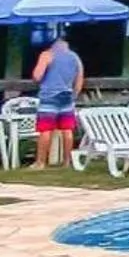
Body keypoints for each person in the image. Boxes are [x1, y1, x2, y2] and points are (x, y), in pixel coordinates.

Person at [31, 30, 84, 168]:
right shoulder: (75, 57)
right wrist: (74, 95)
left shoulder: (47, 55)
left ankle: (40, 162)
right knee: (67, 130)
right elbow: (79, 79)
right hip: (67, 96)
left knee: (45, 130)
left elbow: (37, 76)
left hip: (49, 96)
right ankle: (67, 161)